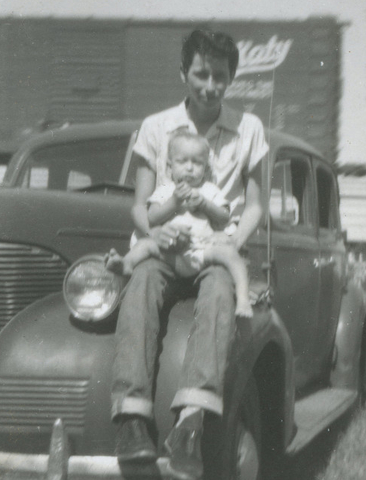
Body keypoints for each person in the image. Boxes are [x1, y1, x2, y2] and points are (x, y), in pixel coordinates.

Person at [111, 28, 268, 480]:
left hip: (215, 247)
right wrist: (152, 234)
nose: (210, 85)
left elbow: (255, 205)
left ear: (231, 78)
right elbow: (140, 206)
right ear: (184, 72)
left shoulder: (249, 129)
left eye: (220, 76)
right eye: (201, 73)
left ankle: (190, 423)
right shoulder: (155, 127)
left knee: (221, 291)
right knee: (139, 284)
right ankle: (131, 419)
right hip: (167, 242)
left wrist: (231, 243)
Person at [107, 130, 253, 317]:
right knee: (145, 245)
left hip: (201, 251)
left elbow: (224, 217)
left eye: (197, 163)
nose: (190, 168)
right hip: (169, 253)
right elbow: (152, 217)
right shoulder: (166, 191)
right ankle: (126, 263)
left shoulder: (210, 190)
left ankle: (242, 299)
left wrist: (204, 204)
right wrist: (174, 203)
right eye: (182, 162)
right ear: (170, 167)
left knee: (231, 255)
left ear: (206, 169)